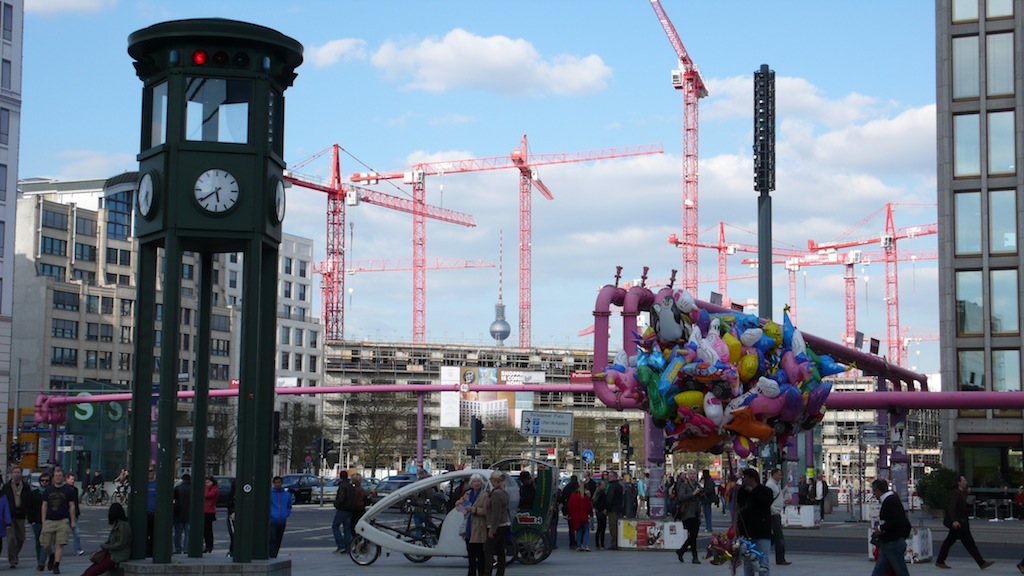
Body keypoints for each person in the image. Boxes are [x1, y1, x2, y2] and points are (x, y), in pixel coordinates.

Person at [935, 474, 995, 569]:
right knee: (966, 543)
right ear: (959, 482)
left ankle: (940, 560)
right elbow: (952, 507)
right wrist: (954, 520)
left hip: (961, 522)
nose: (966, 482)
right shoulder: (956, 493)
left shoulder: (961, 492)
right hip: (959, 523)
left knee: (956, 542)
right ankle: (981, 562)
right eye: (964, 481)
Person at [736, 467, 773, 576]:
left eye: (745, 477)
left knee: (763, 562)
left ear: (752, 479)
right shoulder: (742, 492)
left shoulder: (765, 491)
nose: (743, 480)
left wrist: (753, 492)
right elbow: (738, 505)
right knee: (748, 563)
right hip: (746, 532)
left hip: (762, 531)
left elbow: (766, 502)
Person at [870, 478, 911, 576]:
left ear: (877, 490)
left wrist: (880, 528)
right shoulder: (892, 499)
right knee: (879, 571)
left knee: (900, 571)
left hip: (892, 542)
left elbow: (894, 522)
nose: (874, 494)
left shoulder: (890, 502)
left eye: (874, 492)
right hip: (889, 542)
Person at [41, 467, 77, 574]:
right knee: (46, 544)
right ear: (53, 477)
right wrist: (43, 520)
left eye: (60, 476)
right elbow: (44, 505)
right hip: (49, 520)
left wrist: (72, 521)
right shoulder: (48, 490)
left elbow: (72, 506)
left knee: (59, 544)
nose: (58, 478)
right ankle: (51, 556)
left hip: (63, 520)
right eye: (56, 476)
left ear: (63, 477)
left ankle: (56, 565)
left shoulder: (68, 490)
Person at [81, 503, 131, 576]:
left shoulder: (123, 526)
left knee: (91, 572)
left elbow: (121, 543)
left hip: (118, 555)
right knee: (89, 571)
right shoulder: (117, 524)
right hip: (112, 554)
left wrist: (106, 546)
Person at [457, 473, 489, 576]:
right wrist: (461, 508)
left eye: (478, 481)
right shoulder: (467, 494)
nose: (476, 483)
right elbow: (461, 509)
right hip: (469, 527)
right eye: (474, 481)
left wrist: (473, 509)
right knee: (471, 556)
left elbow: (486, 511)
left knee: (480, 555)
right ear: (471, 483)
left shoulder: (484, 495)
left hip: (479, 527)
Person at [4, 466, 34, 569]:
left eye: (18, 472)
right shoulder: (6, 487)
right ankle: (12, 559)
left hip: (21, 515)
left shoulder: (26, 487)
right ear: (12, 474)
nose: (16, 474)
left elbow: (29, 501)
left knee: (21, 539)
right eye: (15, 472)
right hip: (9, 515)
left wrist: (29, 514)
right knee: (11, 539)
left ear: (21, 474)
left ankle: (14, 554)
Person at [483, 471, 510, 576]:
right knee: (500, 550)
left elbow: (496, 513)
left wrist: (492, 530)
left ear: (494, 480)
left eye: (491, 479)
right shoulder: (504, 492)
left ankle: (488, 572)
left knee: (488, 550)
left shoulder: (496, 493)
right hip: (504, 524)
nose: (490, 481)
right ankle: (500, 573)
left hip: (497, 525)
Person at [674, 469, 702, 564]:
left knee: (694, 536)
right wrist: (693, 494)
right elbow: (681, 496)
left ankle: (681, 551)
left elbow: (703, 497)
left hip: (696, 513)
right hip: (687, 513)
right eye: (691, 474)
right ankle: (694, 557)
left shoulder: (697, 485)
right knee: (693, 535)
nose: (692, 475)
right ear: (687, 475)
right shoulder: (685, 485)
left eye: (694, 474)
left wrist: (702, 494)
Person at [764, 468, 791, 565]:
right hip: (773, 514)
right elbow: (768, 501)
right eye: (779, 475)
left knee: (774, 537)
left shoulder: (775, 484)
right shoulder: (770, 485)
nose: (781, 477)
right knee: (779, 537)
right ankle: (780, 558)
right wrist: (775, 511)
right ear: (774, 474)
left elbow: (778, 497)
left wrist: (784, 500)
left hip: (776, 513)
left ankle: (763, 549)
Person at [268, 476, 293, 559]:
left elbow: (289, 505)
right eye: (276, 483)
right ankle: (272, 555)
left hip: (282, 520)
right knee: (273, 539)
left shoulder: (286, 494)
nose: (277, 484)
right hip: (272, 520)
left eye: (279, 483)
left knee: (278, 540)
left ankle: (274, 556)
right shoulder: (270, 494)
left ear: (282, 483)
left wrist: (286, 513)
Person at [331, 470, 355, 553]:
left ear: (340, 477)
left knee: (335, 526)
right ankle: (348, 547)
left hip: (342, 509)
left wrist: (336, 504)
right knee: (347, 528)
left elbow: (341, 499)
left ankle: (341, 545)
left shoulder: (342, 486)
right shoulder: (350, 486)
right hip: (350, 509)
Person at [30, 473, 48, 571]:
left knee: (45, 542)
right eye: (42, 480)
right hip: (36, 522)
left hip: (48, 522)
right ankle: (39, 561)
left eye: (46, 480)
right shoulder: (34, 493)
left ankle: (42, 561)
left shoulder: (51, 492)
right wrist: (31, 520)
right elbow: (30, 507)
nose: (44, 482)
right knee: (38, 543)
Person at [567, 482, 593, 552]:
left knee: (579, 530)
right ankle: (584, 544)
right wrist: (591, 514)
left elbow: (569, 506)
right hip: (584, 516)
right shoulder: (585, 497)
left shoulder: (573, 495)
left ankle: (579, 545)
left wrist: (570, 515)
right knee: (586, 530)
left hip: (576, 516)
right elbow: (589, 507)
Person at [172, 474, 191, 554]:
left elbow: (173, 498)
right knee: (188, 533)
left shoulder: (178, 488)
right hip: (189, 513)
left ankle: (178, 549)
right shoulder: (193, 488)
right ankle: (186, 549)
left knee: (177, 533)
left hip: (178, 513)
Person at [605, 471, 624, 550]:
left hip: (612, 509)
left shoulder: (611, 486)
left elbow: (609, 498)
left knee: (613, 527)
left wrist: (607, 508)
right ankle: (619, 542)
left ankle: (614, 543)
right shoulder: (620, 486)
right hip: (619, 509)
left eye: (610, 476)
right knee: (618, 527)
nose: (608, 477)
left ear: (615, 477)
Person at [559, 475, 579, 548]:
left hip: (569, 508)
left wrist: (565, 504)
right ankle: (578, 541)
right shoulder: (578, 488)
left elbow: (562, 499)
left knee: (571, 527)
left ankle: (572, 542)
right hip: (577, 508)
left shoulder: (566, 488)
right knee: (579, 527)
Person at [65, 475, 83, 556]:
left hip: (74, 514)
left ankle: (78, 549)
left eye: (73, 479)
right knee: (61, 533)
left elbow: (75, 503)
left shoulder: (75, 489)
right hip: (65, 514)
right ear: (67, 479)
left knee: (76, 533)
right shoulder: (64, 489)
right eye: (71, 479)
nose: (73, 481)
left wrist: (77, 513)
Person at [202, 476, 218, 554]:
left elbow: (207, 495)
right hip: (204, 510)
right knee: (204, 529)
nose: (206, 484)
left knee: (208, 529)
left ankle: (209, 546)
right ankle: (207, 545)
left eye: (208, 482)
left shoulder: (214, 489)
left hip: (209, 511)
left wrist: (207, 488)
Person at [591, 478, 608, 549]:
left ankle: (598, 543)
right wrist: (603, 509)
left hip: (599, 511)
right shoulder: (601, 493)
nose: (604, 486)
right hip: (601, 511)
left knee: (599, 528)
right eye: (603, 485)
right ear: (600, 485)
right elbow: (600, 503)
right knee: (602, 528)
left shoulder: (597, 493)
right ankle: (601, 544)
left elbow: (594, 503)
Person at [145, 466, 156, 557]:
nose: (149, 473)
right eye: (148, 471)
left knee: (153, 535)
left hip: (154, 514)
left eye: (151, 471)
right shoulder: (142, 484)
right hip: (145, 514)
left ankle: (151, 552)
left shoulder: (157, 484)